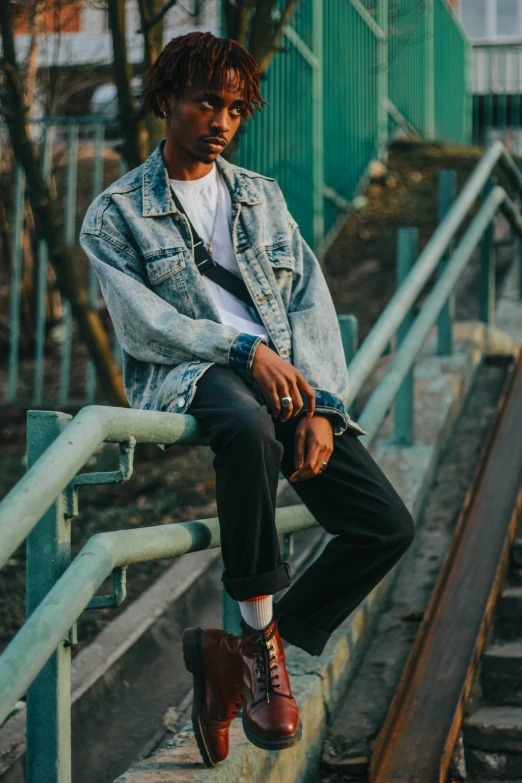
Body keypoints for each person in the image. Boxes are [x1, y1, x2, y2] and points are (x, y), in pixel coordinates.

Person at [80, 30, 414, 768]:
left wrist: (324, 405)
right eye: (207, 102)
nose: (223, 120)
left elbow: (309, 301)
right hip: (196, 372)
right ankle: (263, 655)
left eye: (235, 107)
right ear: (167, 100)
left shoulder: (261, 197)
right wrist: (243, 350)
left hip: (289, 379)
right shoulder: (116, 213)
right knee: (248, 423)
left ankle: (236, 653)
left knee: (386, 525)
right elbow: (147, 323)